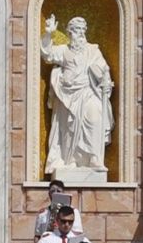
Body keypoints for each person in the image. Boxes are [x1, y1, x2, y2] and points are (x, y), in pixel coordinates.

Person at [40, 15, 114, 173]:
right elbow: (47, 54)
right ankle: (70, 160)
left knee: (95, 115)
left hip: (88, 92)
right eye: (76, 30)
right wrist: (48, 34)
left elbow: (103, 70)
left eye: (82, 30)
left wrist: (105, 82)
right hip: (67, 95)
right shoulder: (64, 50)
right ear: (69, 33)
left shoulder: (93, 50)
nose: (80, 33)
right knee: (69, 127)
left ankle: (94, 158)